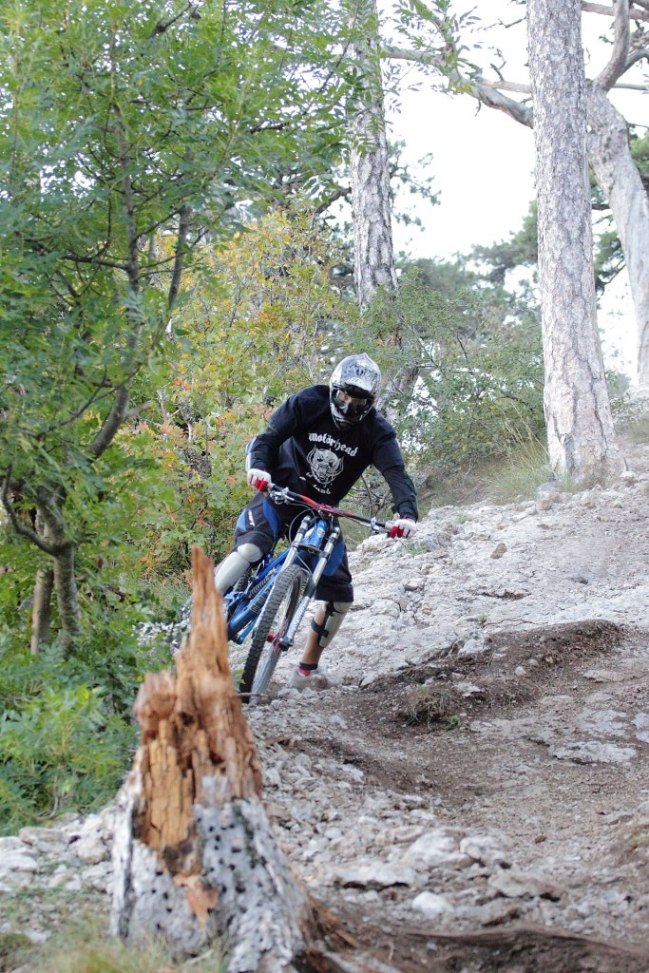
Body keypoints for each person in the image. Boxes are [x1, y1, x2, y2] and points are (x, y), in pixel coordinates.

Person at [214, 352, 418, 689]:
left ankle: (306, 670)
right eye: (344, 396)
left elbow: (396, 473)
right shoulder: (308, 402)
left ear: (370, 403)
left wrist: (407, 514)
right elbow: (267, 438)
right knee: (251, 549)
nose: (348, 405)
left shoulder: (377, 431)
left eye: (358, 401)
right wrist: (259, 469)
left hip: (323, 511)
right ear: (334, 389)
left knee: (341, 597)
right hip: (280, 493)